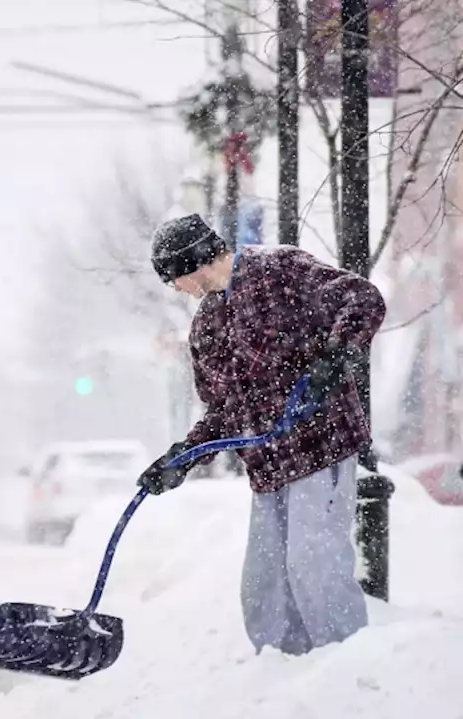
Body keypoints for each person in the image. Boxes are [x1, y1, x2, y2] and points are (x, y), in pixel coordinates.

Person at [137, 213, 386, 656]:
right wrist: (181, 458)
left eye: (172, 278)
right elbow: (224, 412)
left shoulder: (280, 269)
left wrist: (339, 352)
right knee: (264, 584)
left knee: (314, 563)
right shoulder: (206, 326)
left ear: (191, 262)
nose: (175, 289)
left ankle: (347, 665)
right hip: (269, 466)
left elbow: (362, 297)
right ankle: (282, 673)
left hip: (320, 442)